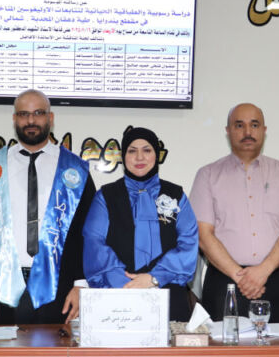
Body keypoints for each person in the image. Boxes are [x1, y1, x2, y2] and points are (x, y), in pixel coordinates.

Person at [0, 89, 93, 325]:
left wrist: (81, 284)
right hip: (0, 284)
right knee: (3, 348)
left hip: (60, 285)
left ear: (50, 118)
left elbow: (87, 232)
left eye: (38, 113)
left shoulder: (75, 170)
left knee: (54, 348)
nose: (31, 120)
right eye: (24, 114)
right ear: (14, 119)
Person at [189, 102, 279, 323]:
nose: (247, 131)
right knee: (222, 346)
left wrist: (262, 271)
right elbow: (203, 235)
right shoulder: (207, 175)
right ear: (228, 131)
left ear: (264, 130)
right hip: (225, 283)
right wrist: (241, 277)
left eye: (254, 125)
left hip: (276, 281)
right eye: (239, 125)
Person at [83, 127, 198, 321]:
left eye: (147, 150)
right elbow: (94, 243)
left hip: (169, 295)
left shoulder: (176, 195)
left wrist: (154, 278)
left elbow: (189, 242)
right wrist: (127, 285)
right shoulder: (106, 196)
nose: (139, 157)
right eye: (132, 151)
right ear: (123, 156)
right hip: (119, 298)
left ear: (156, 155)